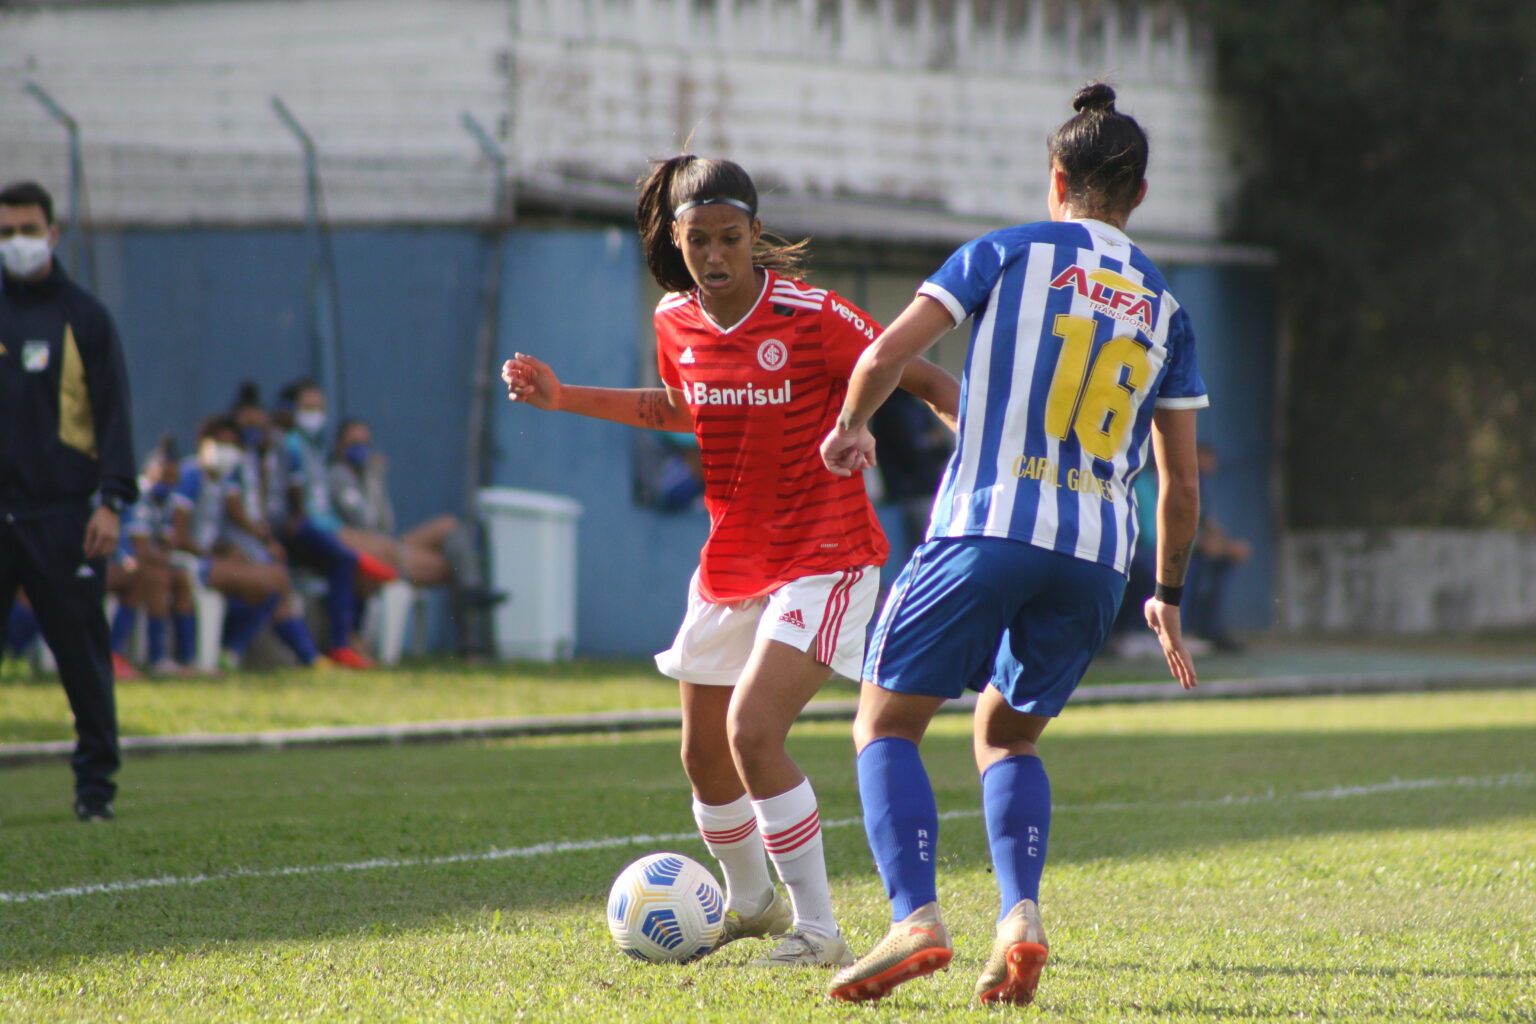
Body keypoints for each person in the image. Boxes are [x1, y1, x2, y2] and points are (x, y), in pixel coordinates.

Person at [502, 154, 959, 967]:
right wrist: (565, 397)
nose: (714, 257)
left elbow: (922, 378)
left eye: (729, 239)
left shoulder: (816, 317)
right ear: (675, 241)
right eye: (697, 242)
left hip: (826, 558)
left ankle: (819, 929)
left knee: (753, 732)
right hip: (732, 562)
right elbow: (685, 410)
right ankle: (750, 901)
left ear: (755, 235)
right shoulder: (675, 320)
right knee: (704, 756)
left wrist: (980, 461)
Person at [819, 83, 1206, 1005]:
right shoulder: (1167, 308)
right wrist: (1168, 595)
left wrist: (848, 427)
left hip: (987, 523)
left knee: (885, 722)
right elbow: (1182, 483)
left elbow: (881, 354)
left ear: (1056, 178)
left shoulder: (1003, 252)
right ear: (1139, 196)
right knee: (1007, 735)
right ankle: (1020, 916)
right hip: (1098, 556)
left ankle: (915, 916)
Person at [0, 180, 137, 822]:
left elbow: (114, 416)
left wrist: (111, 500)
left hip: (63, 516)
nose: (16, 243)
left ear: (52, 234)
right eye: (5, 233)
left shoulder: (84, 316)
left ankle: (95, 791)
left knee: (82, 658)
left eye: (27, 230)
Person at [327, 415, 501, 656]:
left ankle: (471, 589)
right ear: (339, 446)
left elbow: (386, 522)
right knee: (450, 568)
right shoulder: (339, 475)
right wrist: (374, 479)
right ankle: (470, 633)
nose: (361, 450)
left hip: (384, 543)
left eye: (365, 443)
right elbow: (364, 523)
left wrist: (375, 480)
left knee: (448, 525)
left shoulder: (365, 475)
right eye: (354, 443)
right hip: (363, 549)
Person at [167, 416, 325, 670]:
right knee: (276, 579)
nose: (226, 450)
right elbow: (177, 535)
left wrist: (228, 550)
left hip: (205, 557)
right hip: (182, 560)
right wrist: (211, 553)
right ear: (203, 443)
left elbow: (211, 533)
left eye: (232, 445)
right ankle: (305, 656)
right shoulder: (191, 475)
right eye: (220, 442)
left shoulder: (223, 480)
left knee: (270, 586)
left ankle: (229, 651)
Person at [272, 379, 397, 668]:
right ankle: (339, 644)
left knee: (350, 566)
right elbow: (296, 501)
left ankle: (346, 643)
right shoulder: (290, 444)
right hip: (297, 530)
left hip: (321, 529)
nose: (315, 414)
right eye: (308, 407)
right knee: (348, 558)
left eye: (320, 408)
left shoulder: (314, 448)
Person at [1185, 441, 1251, 651]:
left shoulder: (1201, 484)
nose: (1211, 463)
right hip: (1180, 548)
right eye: (1206, 458)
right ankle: (1198, 628)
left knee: (1223, 564)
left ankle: (1211, 628)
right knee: (1205, 567)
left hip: (1196, 547)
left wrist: (1227, 545)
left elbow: (1208, 523)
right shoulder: (1184, 480)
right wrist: (1207, 544)